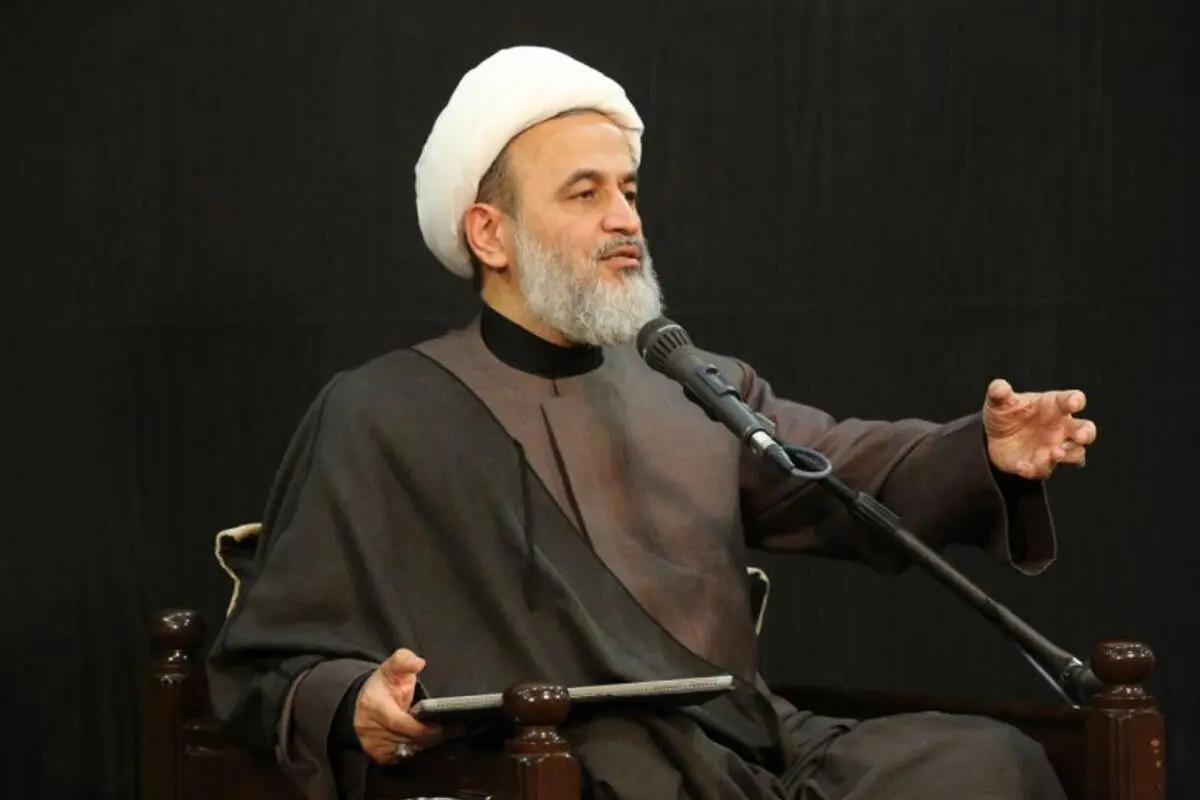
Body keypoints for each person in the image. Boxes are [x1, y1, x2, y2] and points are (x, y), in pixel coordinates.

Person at [206, 45, 1097, 800]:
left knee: (985, 765)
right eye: (584, 194)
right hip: (557, 770)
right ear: (489, 234)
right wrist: (353, 702)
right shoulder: (383, 413)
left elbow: (838, 469)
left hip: (746, 749)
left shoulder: (687, 383)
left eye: (628, 190)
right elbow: (270, 660)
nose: (625, 219)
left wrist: (982, 451)